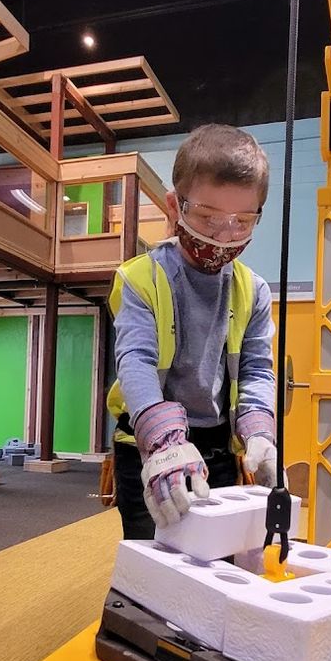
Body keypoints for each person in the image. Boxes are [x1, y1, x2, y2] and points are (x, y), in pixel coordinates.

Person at [107, 123, 277, 539]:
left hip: (217, 449)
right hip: (148, 446)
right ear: (174, 205)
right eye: (208, 217)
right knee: (154, 554)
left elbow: (257, 368)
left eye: (242, 221)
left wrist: (259, 429)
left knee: (218, 555)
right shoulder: (139, 278)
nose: (224, 235)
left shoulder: (253, 289)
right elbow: (136, 361)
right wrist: (163, 443)